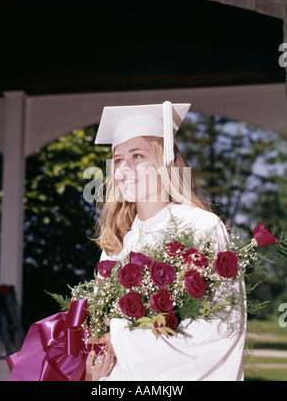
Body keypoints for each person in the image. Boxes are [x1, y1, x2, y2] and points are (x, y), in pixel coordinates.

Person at [84, 101, 246, 381]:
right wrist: (95, 362)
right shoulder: (117, 244)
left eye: (137, 156)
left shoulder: (201, 226)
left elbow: (222, 326)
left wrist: (120, 337)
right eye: (119, 159)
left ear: (165, 160)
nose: (123, 169)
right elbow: (101, 329)